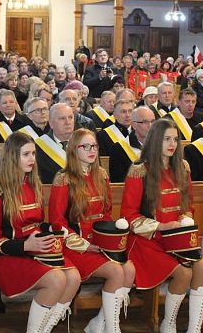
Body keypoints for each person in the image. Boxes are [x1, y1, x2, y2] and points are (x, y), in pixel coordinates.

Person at [0, 132, 81, 332]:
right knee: (57, 279)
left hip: (35, 248)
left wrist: (51, 228)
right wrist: (25, 246)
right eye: (26, 154)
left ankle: (45, 329)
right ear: (12, 157)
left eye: (34, 154)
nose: (32, 159)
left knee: (74, 278)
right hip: (5, 254)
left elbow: (36, 223)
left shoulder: (33, 183)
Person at [121, 119, 203, 333]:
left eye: (175, 139)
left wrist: (185, 219)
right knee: (183, 273)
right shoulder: (139, 171)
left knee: (201, 267)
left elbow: (188, 205)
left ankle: (194, 328)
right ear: (154, 140)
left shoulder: (182, 168)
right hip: (148, 240)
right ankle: (168, 323)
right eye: (166, 139)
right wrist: (161, 226)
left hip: (176, 238)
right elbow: (129, 216)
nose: (172, 144)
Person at [49, 128, 135, 332]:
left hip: (100, 242)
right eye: (85, 146)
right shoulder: (64, 178)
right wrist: (85, 245)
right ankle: (112, 329)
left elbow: (105, 214)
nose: (91, 150)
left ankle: (100, 324)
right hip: (76, 246)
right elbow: (56, 221)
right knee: (115, 271)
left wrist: (109, 241)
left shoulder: (101, 175)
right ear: (73, 150)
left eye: (94, 146)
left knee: (129, 269)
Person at [98, 100, 143, 183]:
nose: (128, 115)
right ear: (114, 115)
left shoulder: (141, 132)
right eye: (123, 112)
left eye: (130, 111)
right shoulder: (103, 135)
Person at [36, 103, 74, 184]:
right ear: (51, 123)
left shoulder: (85, 143)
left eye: (70, 117)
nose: (68, 122)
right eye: (62, 118)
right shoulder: (38, 147)